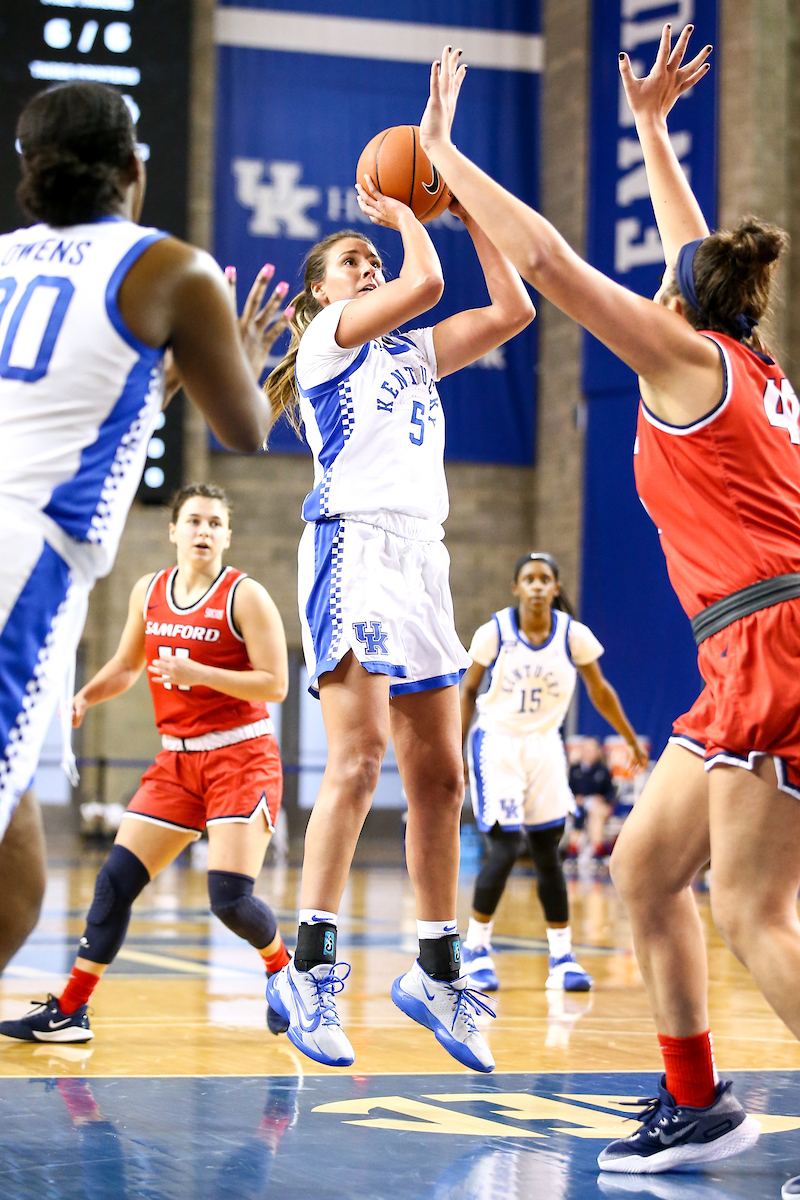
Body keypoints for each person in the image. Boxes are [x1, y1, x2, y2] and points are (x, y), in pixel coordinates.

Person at [419, 27, 797, 1177]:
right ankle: (696, 1102)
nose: (646, 289)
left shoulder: (681, 361)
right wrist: (645, 129)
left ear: (676, 311)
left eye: (656, 290)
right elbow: (692, 247)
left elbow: (541, 257)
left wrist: (444, 151)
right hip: (746, 641)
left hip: (773, 634)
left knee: (752, 909)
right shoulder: (739, 357)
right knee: (640, 871)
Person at [0, 81, 289, 970]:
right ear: (134, 170)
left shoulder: (6, 256)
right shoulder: (170, 269)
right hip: (23, 565)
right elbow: (244, 430)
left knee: (20, 867)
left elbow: (88, 402)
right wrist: (246, 363)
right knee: (15, 880)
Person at [263, 179, 535, 1073]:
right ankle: (309, 966)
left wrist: (474, 216)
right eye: (352, 260)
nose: (368, 261)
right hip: (355, 546)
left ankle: (435, 968)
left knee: (442, 779)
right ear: (320, 293)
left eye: (368, 254)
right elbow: (421, 282)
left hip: (425, 559)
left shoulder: (410, 353)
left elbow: (511, 307)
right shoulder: (324, 343)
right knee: (361, 756)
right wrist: (410, 216)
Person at [0, 483, 290, 1042]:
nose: (203, 531)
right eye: (194, 521)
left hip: (240, 755)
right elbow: (129, 666)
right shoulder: (148, 591)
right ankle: (70, 1010)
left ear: (227, 535)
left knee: (230, 900)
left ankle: (283, 972)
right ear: (174, 531)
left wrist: (202, 674)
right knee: (112, 884)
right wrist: (86, 696)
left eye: (214, 523)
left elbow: (276, 683)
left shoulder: (244, 596)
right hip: (178, 763)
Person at [459, 552, 645, 994]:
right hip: (497, 742)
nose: (538, 585)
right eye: (530, 578)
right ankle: (476, 950)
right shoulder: (495, 632)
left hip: (545, 745)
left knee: (548, 853)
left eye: (546, 579)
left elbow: (600, 691)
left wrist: (631, 738)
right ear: (516, 588)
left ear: (556, 588)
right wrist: (455, 747)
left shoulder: (573, 636)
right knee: (504, 850)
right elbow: (468, 690)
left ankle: (562, 957)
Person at [568, 736, 617, 870]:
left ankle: (597, 851)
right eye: (586, 750)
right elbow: (566, 790)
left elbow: (611, 793)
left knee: (596, 812)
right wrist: (575, 799)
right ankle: (573, 850)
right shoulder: (574, 769)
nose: (588, 753)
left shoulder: (602, 770)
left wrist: (601, 799)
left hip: (597, 806)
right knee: (578, 814)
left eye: (592, 750)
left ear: (597, 752)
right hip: (578, 805)